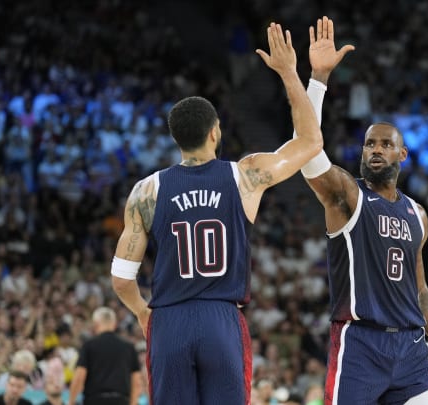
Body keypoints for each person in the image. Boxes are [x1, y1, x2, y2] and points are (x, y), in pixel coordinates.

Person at [110, 22, 324, 404]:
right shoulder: (245, 175)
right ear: (214, 133)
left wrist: (146, 315)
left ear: (178, 139)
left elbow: (122, 279)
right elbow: (309, 142)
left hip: (169, 320)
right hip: (221, 319)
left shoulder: (146, 191)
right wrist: (291, 73)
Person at [297, 16, 428, 404]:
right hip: (360, 343)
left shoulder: (418, 215)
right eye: (369, 143)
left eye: (385, 144)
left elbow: (421, 291)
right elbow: (307, 152)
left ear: (402, 155)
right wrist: (319, 80)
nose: (375, 149)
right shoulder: (348, 196)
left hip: (411, 348)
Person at [66, 307, 141, 405]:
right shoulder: (129, 347)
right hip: (121, 400)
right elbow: (136, 382)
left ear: (95, 325)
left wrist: (71, 401)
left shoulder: (89, 345)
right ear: (114, 325)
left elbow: (79, 376)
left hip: (94, 400)